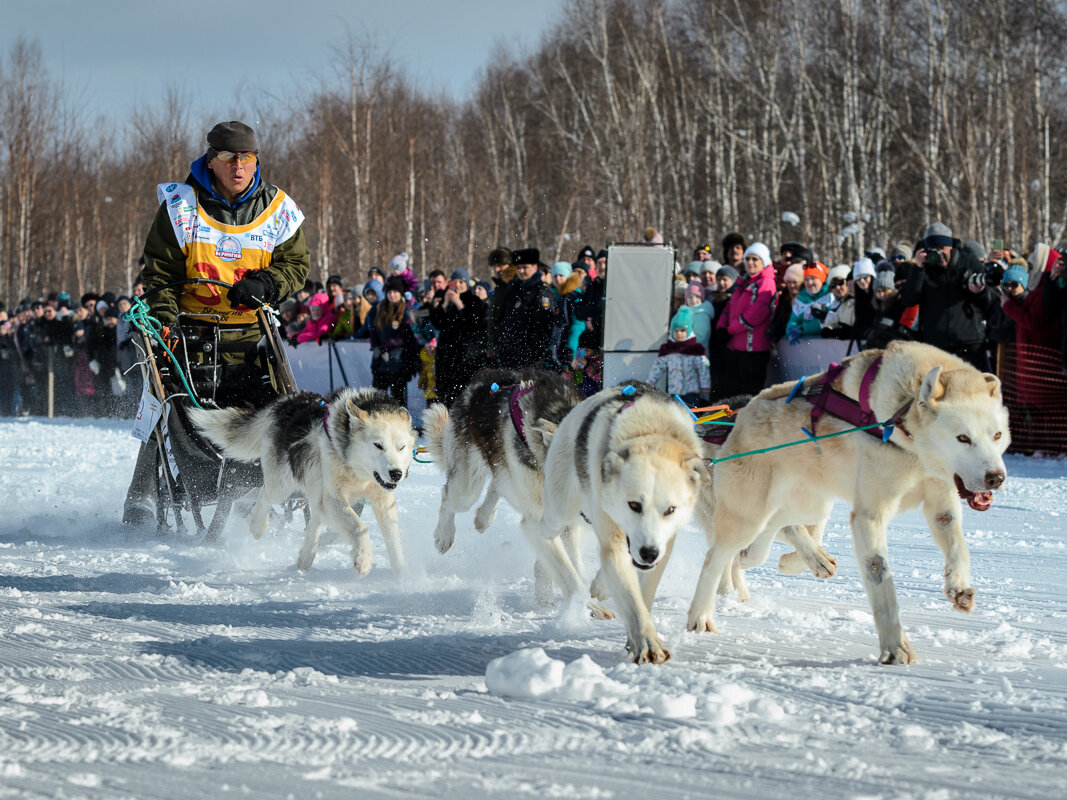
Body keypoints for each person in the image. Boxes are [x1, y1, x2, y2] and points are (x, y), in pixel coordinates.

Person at [124, 120, 310, 527]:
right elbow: (160, 274)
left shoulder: (277, 208)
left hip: (250, 334)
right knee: (166, 405)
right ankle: (142, 494)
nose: (238, 166)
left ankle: (263, 486)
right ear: (213, 160)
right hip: (189, 334)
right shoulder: (180, 205)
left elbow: (296, 265)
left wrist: (265, 282)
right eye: (229, 158)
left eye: (246, 158)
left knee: (276, 410)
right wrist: (166, 320)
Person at [899, 222, 995, 370]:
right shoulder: (924, 268)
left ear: (950, 246)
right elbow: (909, 299)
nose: (939, 254)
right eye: (933, 250)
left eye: (942, 249)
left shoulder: (969, 263)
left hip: (969, 341)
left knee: (978, 388)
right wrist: (918, 269)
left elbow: (988, 302)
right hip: (936, 344)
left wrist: (980, 292)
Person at [717, 242, 777, 396]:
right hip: (735, 346)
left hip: (753, 348)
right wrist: (721, 328)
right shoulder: (743, 282)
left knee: (749, 392)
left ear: (763, 262)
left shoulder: (766, 283)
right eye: (748, 259)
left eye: (755, 259)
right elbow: (729, 307)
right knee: (732, 391)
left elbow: (757, 313)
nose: (750, 262)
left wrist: (730, 329)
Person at [428, 268, 487, 406]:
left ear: (467, 283)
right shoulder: (447, 300)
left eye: (461, 282)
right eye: (455, 282)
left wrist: (458, 303)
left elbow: (472, 323)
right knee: (446, 396)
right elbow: (437, 323)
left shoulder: (473, 300)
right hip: (446, 357)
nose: (458, 285)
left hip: (465, 358)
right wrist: (445, 303)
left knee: (463, 398)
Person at [496, 248, 556, 370]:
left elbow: (543, 329)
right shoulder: (514, 290)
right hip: (510, 355)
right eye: (518, 268)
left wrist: (531, 356)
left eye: (525, 267)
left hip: (528, 359)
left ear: (534, 267)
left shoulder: (541, 291)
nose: (521, 271)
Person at [369, 276, 420, 405]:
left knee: (397, 398)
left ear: (401, 293)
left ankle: (400, 421)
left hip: (397, 361)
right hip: (380, 360)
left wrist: (388, 345)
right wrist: (375, 346)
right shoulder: (381, 309)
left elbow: (406, 336)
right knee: (377, 396)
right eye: (390, 292)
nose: (392, 295)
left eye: (395, 292)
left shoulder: (406, 311)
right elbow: (374, 330)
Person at [648, 306, 711, 407]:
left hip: (691, 393)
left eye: (682, 330)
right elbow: (657, 368)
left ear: (689, 331)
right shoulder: (668, 349)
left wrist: (705, 391)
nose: (679, 334)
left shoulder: (695, 349)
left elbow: (703, 371)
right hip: (675, 393)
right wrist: (649, 384)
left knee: (691, 416)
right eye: (676, 330)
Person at [785, 263, 830, 344]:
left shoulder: (830, 296)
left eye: (813, 278)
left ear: (821, 279)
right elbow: (793, 322)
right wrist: (793, 330)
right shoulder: (801, 298)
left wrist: (803, 329)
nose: (809, 283)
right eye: (806, 279)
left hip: (831, 345)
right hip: (808, 348)